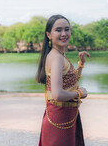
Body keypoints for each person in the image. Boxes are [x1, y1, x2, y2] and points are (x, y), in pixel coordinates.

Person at [37, 14, 90, 146]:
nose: (64, 33)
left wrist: (81, 65)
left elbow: (68, 82)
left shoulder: (59, 55)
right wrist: (79, 93)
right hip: (60, 118)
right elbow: (58, 94)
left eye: (67, 29)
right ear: (48, 34)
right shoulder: (56, 57)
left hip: (65, 116)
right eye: (58, 30)